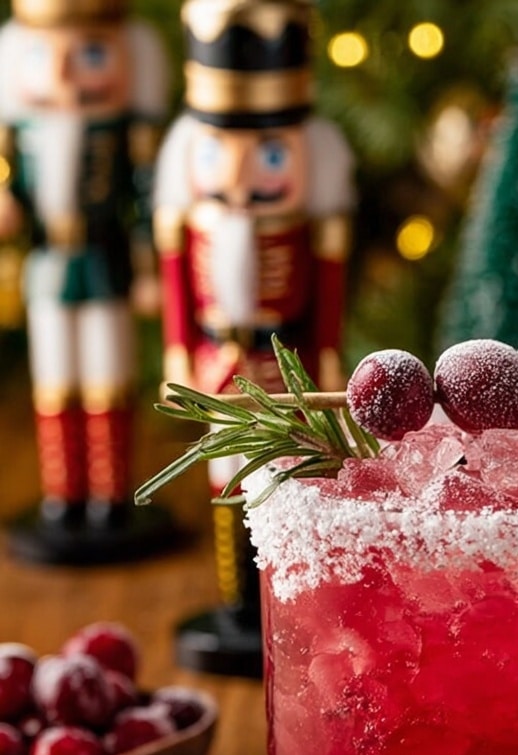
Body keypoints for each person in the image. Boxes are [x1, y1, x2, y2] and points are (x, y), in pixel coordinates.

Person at [153, 0, 354, 675]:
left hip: (283, 369)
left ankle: (280, 598)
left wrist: (325, 367)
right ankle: (236, 600)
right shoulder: (195, 223)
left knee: (285, 479)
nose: (240, 178)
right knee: (222, 477)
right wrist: (180, 354)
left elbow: (324, 306)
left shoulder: (309, 226)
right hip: (220, 366)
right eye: (218, 154)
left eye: (269, 155)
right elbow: (179, 290)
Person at [0, 0, 176, 564]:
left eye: (92, 54)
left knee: (106, 373)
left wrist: (150, 270)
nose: (65, 75)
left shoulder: (123, 132)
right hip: (50, 263)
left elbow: (148, 200)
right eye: (43, 57)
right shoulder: (21, 134)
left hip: (107, 261)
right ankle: (63, 493)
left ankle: (108, 492)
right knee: (55, 381)